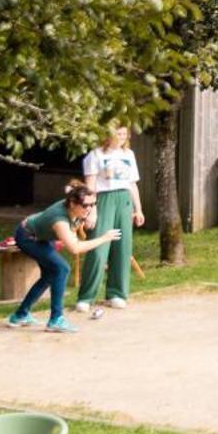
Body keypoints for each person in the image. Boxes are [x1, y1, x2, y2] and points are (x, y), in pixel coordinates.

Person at [7, 182, 120, 333]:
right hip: (28, 236)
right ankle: (56, 319)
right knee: (61, 269)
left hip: (42, 235)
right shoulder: (59, 219)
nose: (90, 209)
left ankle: (20, 315)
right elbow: (75, 248)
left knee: (50, 274)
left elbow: (73, 232)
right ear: (73, 203)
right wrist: (104, 238)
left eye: (93, 204)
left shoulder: (76, 209)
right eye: (86, 206)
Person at [76, 125, 142, 312]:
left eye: (124, 134)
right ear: (108, 135)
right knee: (98, 248)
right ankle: (86, 297)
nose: (121, 137)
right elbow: (90, 186)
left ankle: (117, 293)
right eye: (117, 134)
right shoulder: (95, 155)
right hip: (103, 199)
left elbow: (132, 184)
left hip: (124, 199)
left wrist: (139, 209)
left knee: (122, 247)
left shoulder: (129, 154)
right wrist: (92, 210)